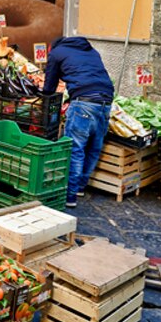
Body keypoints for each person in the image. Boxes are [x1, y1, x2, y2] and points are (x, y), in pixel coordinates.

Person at [42, 36, 115, 208]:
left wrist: (45, 97)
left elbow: (49, 85)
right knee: (94, 147)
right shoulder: (91, 51)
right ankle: (81, 187)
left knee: (75, 149)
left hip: (83, 102)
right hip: (106, 101)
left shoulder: (57, 53)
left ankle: (70, 195)